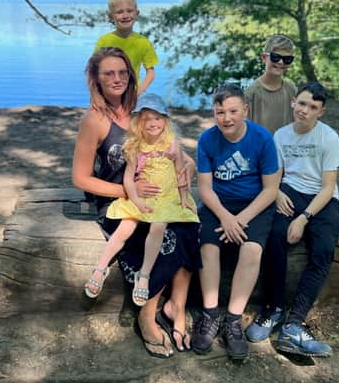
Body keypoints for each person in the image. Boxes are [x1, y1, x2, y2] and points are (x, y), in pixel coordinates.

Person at [72, 47, 200, 358]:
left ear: (131, 75)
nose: (116, 79)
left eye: (122, 72)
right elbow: (81, 178)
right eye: (108, 74)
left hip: (160, 199)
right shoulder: (95, 120)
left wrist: (189, 167)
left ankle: (176, 306)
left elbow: (173, 150)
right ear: (96, 80)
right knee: (165, 237)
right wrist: (128, 194)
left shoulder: (140, 110)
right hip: (118, 201)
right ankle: (146, 313)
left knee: (188, 228)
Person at [244, 82, 339, 358]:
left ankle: (294, 323)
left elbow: (327, 187)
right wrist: (276, 192)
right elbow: (274, 175)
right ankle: (273, 309)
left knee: (323, 249)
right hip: (289, 191)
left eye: (312, 107)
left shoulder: (329, 138)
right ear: (293, 103)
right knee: (273, 235)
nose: (305, 110)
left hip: (321, 200)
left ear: (321, 112)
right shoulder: (281, 136)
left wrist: (303, 218)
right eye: (301, 104)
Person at [83, 93, 199, 307]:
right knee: (125, 227)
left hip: (166, 196)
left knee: (158, 226)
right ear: (139, 123)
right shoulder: (136, 147)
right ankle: (100, 268)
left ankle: (143, 275)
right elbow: (128, 178)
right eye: (147, 119)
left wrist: (184, 199)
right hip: (143, 195)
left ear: (165, 120)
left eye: (158, 118)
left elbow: (181, 173)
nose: (153, 124)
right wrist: (135, 200)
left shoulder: (172, 145)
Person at [191, 83, 280, 361]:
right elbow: (204, 188)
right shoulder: (207, 140)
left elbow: (271, 189)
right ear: (214, 113)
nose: (226, 118)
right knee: (208, 248)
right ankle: (210, 314)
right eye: (220, 112)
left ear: (245, 110)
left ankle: (233, 320)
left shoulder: (262, 138)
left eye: (232, 111)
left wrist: (240, 220)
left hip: (254, 205)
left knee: (252, 250)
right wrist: (226, 217)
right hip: (219, 204)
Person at [94, 0, 158, 95]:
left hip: (131, 94)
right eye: (119, 12)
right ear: (111, 16)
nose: (125, 15)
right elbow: (94, 71)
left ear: (137, 13)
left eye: (129, 11)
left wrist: (138, 92)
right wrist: (96, 95)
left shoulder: (143, 42)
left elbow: (151, 72)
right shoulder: (104, 41)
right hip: (107, 94)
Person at [245, 34, 298, 134]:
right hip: (261, 148)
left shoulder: (292, 90)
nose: (281, 62)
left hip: (286, 147)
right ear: (264, 57)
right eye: (275, 57)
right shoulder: (251, 93)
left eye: (287, 59)